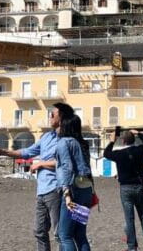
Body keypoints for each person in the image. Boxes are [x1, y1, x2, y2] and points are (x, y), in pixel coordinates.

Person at [0, 103, 71, 251]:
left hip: (57, 190)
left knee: (60, 233)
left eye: (53, 114)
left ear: (62, 117)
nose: (50, 116)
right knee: (39, 231)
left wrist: (40, 164)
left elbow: (65, 164)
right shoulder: (46, 137)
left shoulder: (67, 139)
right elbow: (26, 152)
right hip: (42, 191)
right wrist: (1, 151)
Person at [103, 129, 143, 251]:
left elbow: (106, 153)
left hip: (125, 188)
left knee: (129, 219)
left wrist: (112, 141)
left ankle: (132, 247)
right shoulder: (140, 151)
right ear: (134, 139)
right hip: (139, 187)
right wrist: (138, 133)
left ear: (124, 141)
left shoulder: (119, 154)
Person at [55, 106, 93, 251]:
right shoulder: (83, 144)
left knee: (65, 235)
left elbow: (66, 167)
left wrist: (66, 194)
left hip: (73, 189)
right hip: (86, 189)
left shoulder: (64, 142)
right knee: (80, 234)